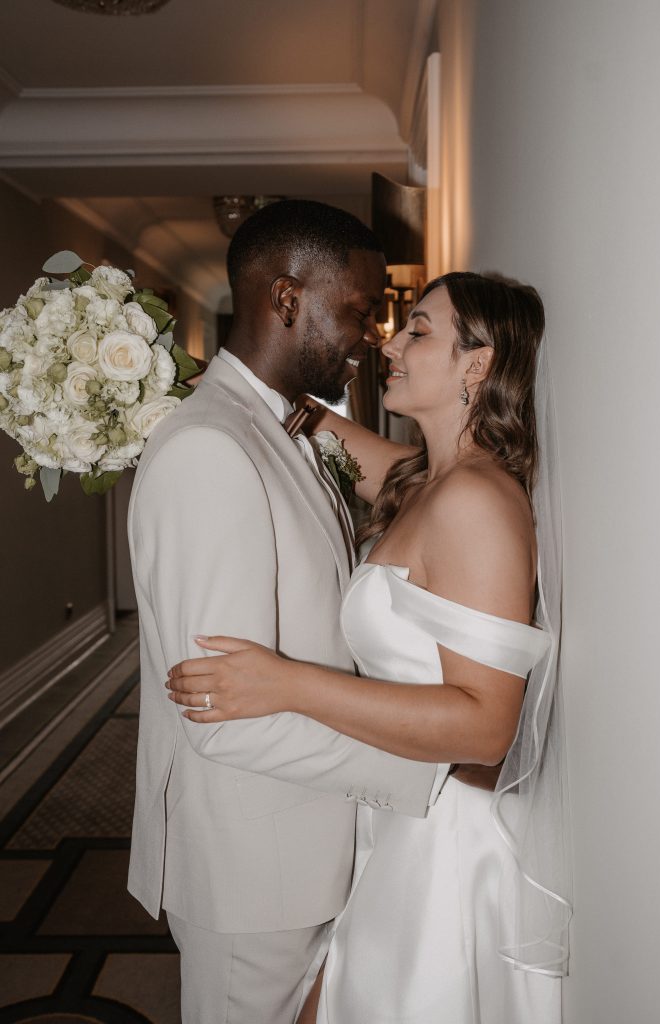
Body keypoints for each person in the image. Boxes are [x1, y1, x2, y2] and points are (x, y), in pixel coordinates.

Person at [166, 272, 571, 1023]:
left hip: (442, 849)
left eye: (418, 330)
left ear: (477, 365)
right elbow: (320, 428)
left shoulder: (477, 503)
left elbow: (486, 727)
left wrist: (286, 684)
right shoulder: (424, 482)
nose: (391, 342)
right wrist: (184, 375)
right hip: (392, 825)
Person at [127, 200, 448, 1024]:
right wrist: (430, 776)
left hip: (305, 846)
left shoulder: (287, 429)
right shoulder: (209, 448)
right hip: (253, 869)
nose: (370, 333)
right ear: (285, 299)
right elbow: (218, 713)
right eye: (356, 309)